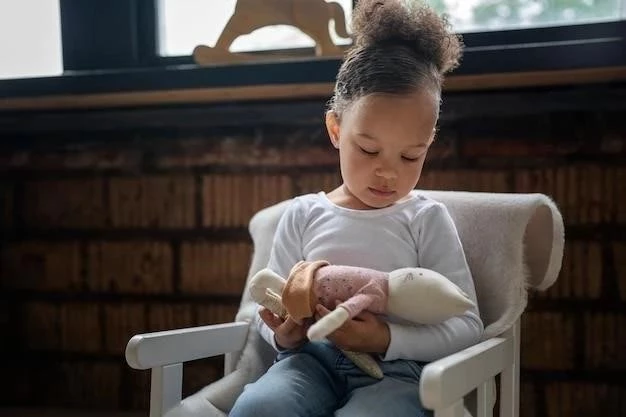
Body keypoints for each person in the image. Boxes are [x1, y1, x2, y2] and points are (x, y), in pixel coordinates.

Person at [229, 1, 484, 416]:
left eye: (410, 157)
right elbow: (269, 307)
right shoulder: (302, 214)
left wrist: (385, 338)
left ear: (429, 145)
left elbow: (466, 325)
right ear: (336, 129)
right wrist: (285, 334)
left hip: (396, 373)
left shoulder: (425, 218)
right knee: (258, 407)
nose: (387, 173)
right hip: (306, 362)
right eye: (368, 149)